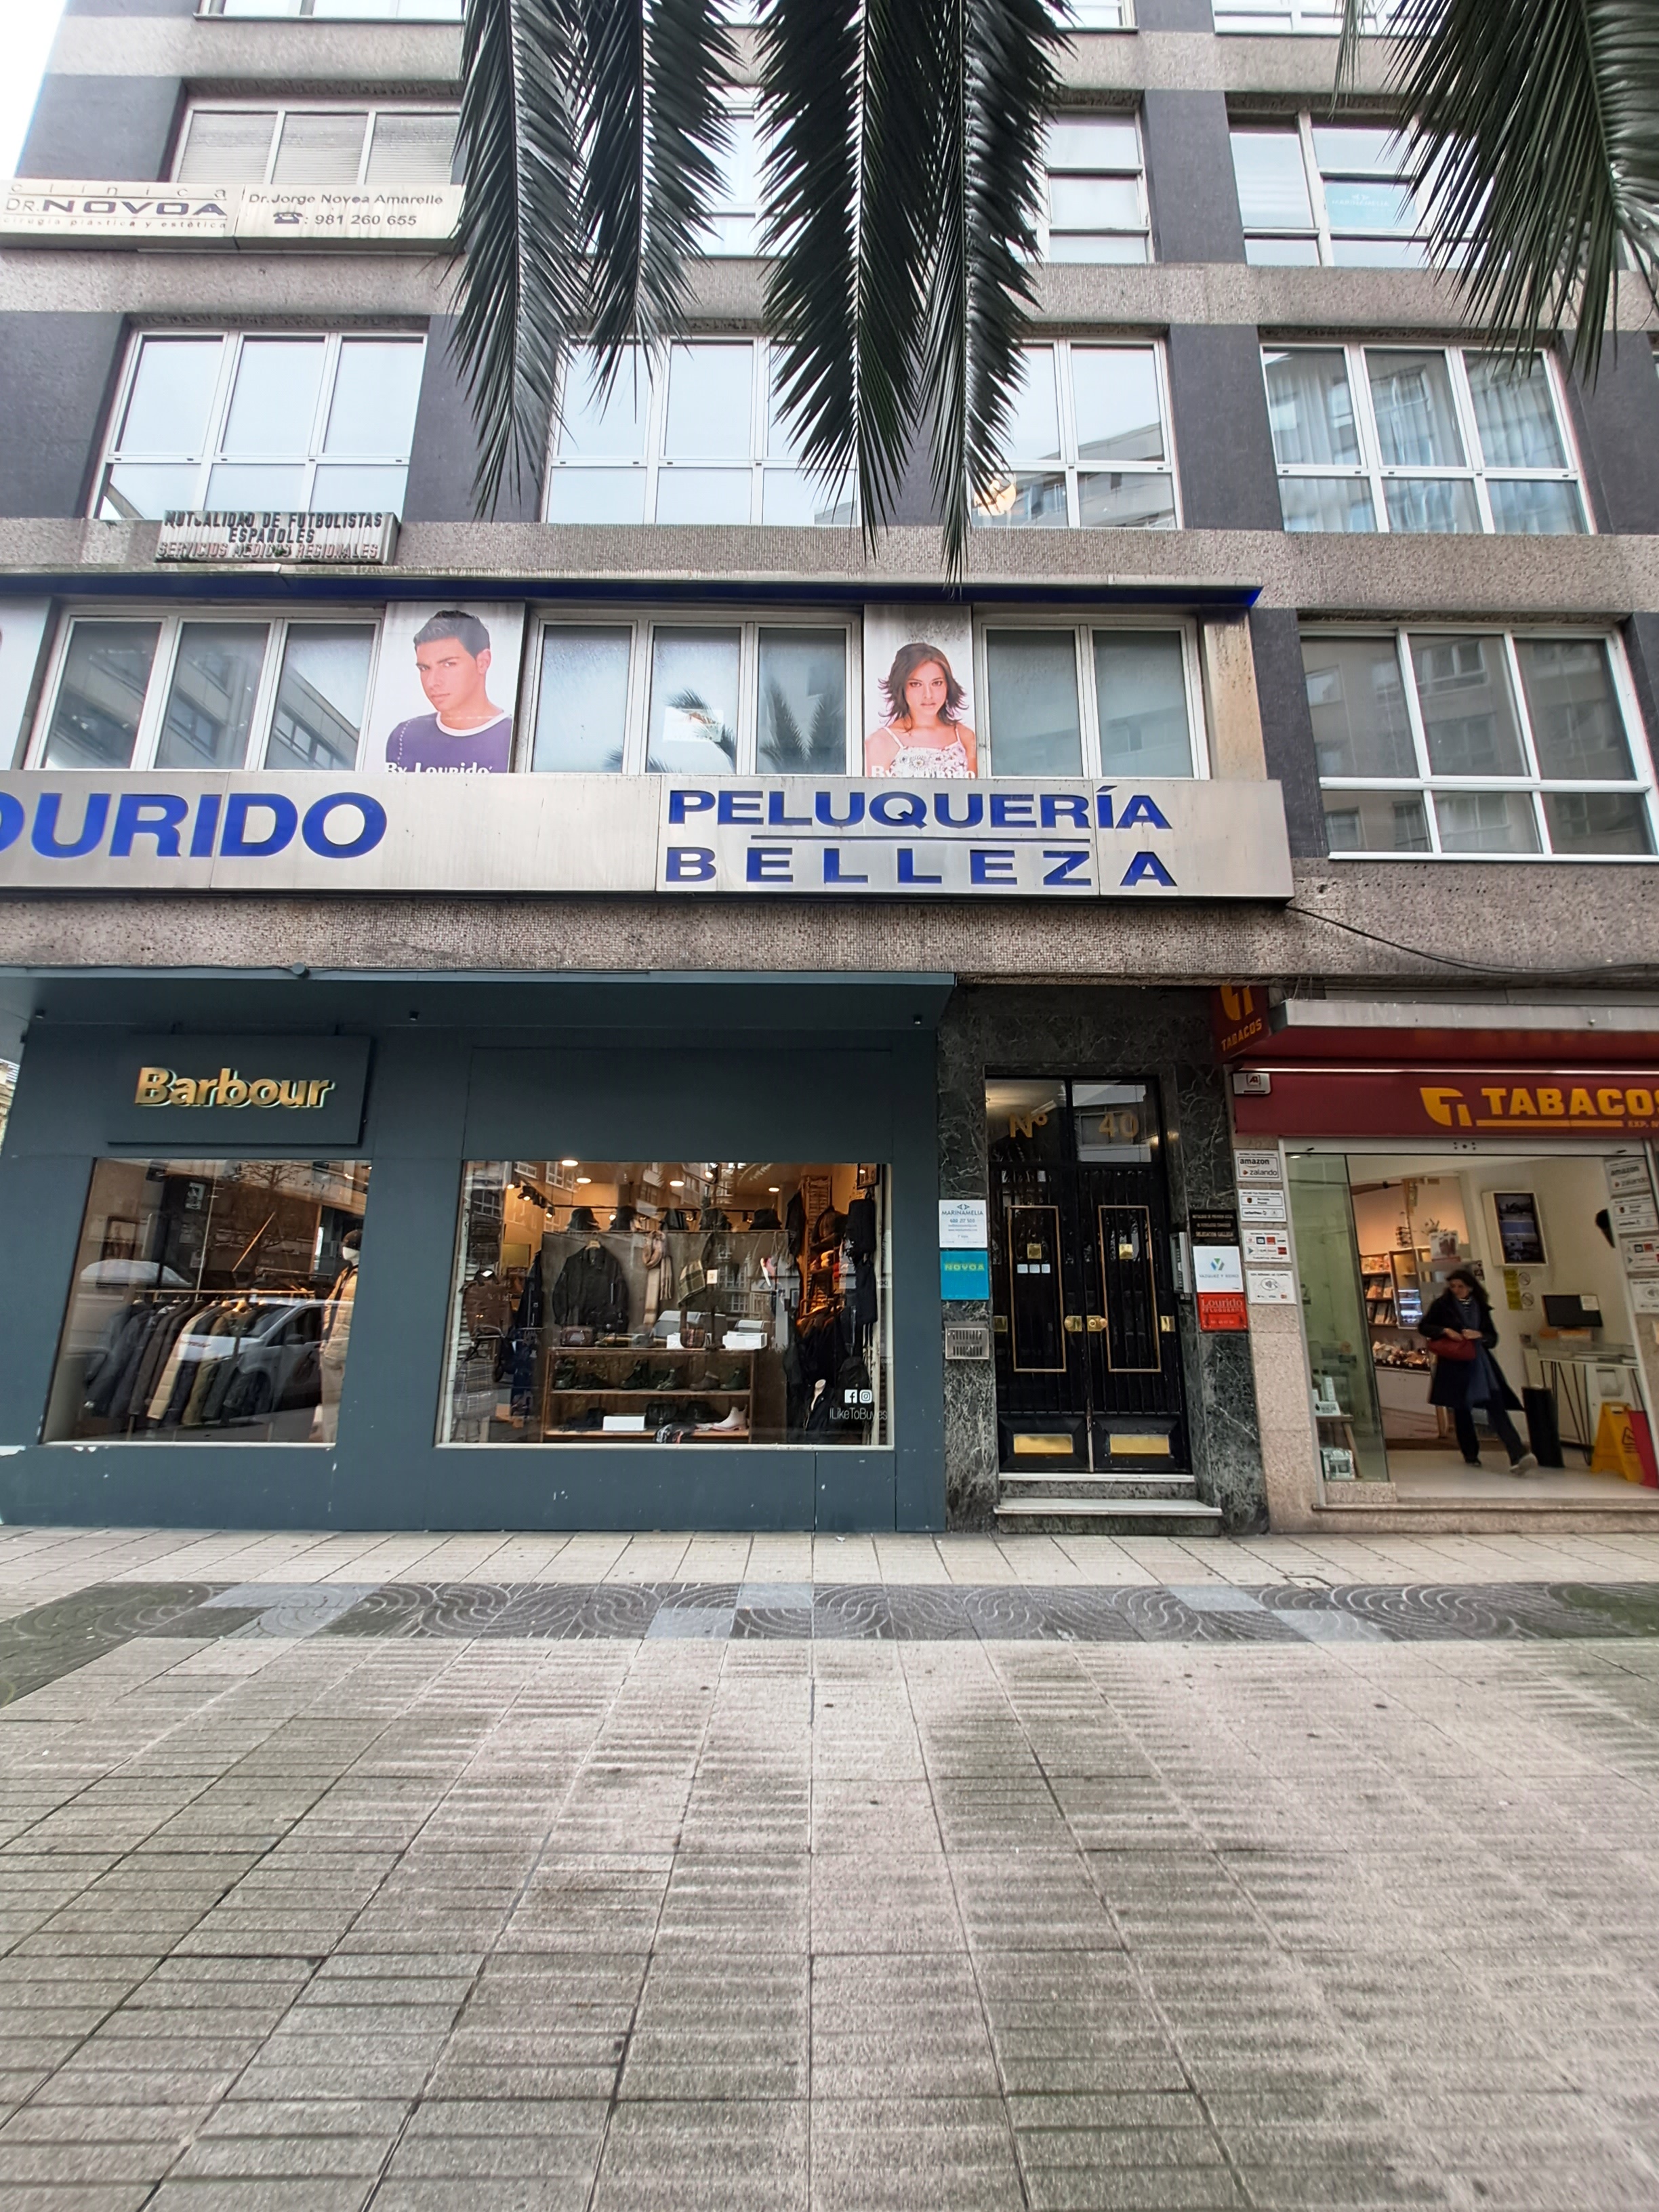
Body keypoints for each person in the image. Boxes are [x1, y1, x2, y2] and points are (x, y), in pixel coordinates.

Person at [1420, 1269, 1538, 1475]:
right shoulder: (1442, 1306)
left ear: (1470, 1288)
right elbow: (1425, 1326)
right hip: (1456, 1364)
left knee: (1496, 1406)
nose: (1456, 1290)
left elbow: (1492, 1337)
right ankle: (1470, 1453)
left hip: (1481, 1365)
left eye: (1461, 1286)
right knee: (1462, 1410)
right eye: (1453, 1286)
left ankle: (1517, 1453)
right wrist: (1446, 1331)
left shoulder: (1480, 1308)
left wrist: (1479, 1335)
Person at [384, 609, 512, 773]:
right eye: (424, 668)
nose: (432, 682)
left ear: (483, 662)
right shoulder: (406, 736)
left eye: (448, 664)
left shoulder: (513, 736)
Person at [863, 642, 977, 777]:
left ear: (948, 685)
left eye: (937, 683)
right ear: (901, 687)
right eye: (916, 684)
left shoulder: (965, 737)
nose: (928, 695)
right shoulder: (881, 742)